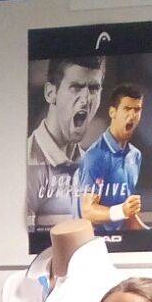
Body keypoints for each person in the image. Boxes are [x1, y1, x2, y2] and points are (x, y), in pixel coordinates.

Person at [26, 56, 105, 235]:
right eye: (76, 87)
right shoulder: (30, 162)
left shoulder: (90, 164)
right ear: (50, 93)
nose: (86, 99)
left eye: (94, 88)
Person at [77, 83, 146, 233]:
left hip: (123, 241)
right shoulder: (95, 156)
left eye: (137, 109)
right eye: (127, 109)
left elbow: (129, 215)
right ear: (112, 112)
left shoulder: (135, 155)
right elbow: (87, 212)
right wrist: (122, 211)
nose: (132, 115)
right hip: (95, 242)